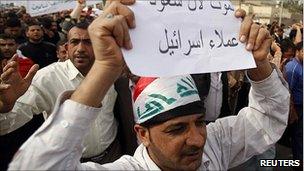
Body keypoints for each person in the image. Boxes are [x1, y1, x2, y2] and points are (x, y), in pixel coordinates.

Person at [8, 1, 289, 170]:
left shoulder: (215, 144)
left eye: (199, 122)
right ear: (143, 133)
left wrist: (260, 64)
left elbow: (268, 119)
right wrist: (104, 69)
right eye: (176, 128)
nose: (197, 139)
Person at [0, 22, 120, 164]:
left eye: (88, 42)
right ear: (67, 48)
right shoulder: (46, 78)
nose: (80, 49)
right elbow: (7, 125)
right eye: (75, 42)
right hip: (67, 164)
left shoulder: (112, 72)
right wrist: (5, 107)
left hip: (112, 158)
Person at [284, 41, 303, 161]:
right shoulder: (292, 68)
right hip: (296, 107)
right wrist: (293, 111)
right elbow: (287, 91)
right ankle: (298, 161)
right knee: (298, 135)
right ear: (298, 52)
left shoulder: (301, 65)